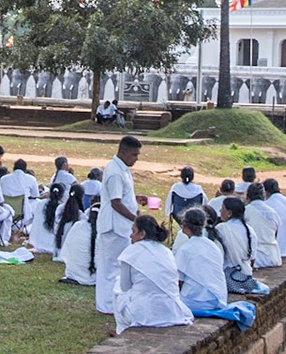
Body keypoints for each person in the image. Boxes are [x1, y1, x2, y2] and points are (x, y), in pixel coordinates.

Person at [111, 215, 191, 334]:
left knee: (117, 287)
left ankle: (121, 330)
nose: (130, 236)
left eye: (133, 231)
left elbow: (125, 287)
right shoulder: (166, 252)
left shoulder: (131, 252)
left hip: (142, 313)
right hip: (170, 310)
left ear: (142, 234)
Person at [94, 135, 142, 315]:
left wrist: (136, 200)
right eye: (134, 155)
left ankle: (112, 302)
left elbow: (122, 195)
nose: (136, 159)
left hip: (121, 226)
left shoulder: (123, 169)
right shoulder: (115, 171)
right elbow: (116, 202)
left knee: (117, 266)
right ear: (123, 152)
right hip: (114, 226)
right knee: (111, 267)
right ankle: (106, 305)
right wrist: (135, 219)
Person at [174, 208, 231, 312]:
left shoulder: (185, 249)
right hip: (219, 299)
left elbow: (178, 282)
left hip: (196, 302)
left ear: (183, 223)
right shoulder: (213, 246)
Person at [57, 192, 97, 285]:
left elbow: (66, 252)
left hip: (74, 274)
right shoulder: (104, 233)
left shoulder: (79, 224)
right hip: (96, 277)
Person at [242, 183, 283, 269]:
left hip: (255, 259)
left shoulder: (245, 211)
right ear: (264, 196)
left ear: (247, 197)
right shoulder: (273, 212)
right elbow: (276, 233)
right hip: (273, 257)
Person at [0, 159, 39, 226]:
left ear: (13, 168)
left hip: (6, 209)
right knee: (37, 202)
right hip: (21, 211)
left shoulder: (4, 178)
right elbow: (35, 195)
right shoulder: (31, 179)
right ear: (25, 170)